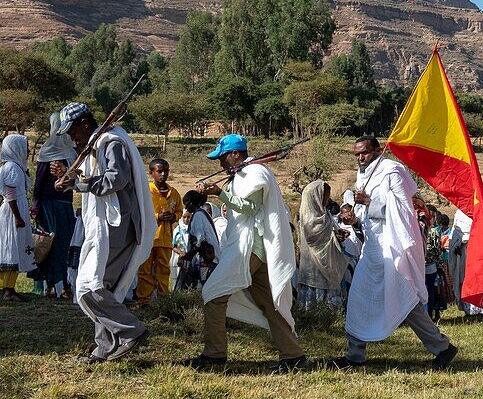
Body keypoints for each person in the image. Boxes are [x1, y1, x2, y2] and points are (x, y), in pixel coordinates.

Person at [334, 137, 458, 371]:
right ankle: (355, 354)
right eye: (357, 154)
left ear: (378, 151)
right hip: (373, 248)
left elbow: (404, 209)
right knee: (358, 298)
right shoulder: (363, 175)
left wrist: (370, 202)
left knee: (405, 299)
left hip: (392, 244)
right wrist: (356, 218)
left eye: (365, 153)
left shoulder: (393, 171)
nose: (360, 158)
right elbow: (368, 215)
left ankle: (442, 347)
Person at [188, 134, 304, 372]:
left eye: (222, 158)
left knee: (213, 293)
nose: (220, 164)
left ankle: (214, 355)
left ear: (235, 154)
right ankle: (294, 357)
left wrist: (219, 193)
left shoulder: (254, 173)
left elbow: (250, 208)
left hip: (250, 247)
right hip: (254, 249)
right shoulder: (242, 174)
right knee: (269, 304)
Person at [52, 102, 155, 362]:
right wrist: (72, 179)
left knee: (91, 287)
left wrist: (79, 183)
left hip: (116, 225)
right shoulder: (98, 143)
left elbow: (115, 179)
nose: (71, 136)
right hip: (109, 226)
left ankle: (130, 330)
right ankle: (104, 349)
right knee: (100, 287)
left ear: (85, 124)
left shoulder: (110, 142)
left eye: (73, 130)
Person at [29, 112, 78, 298]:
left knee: (63, 245)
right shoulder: (53, 152)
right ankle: (51, 285)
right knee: (50, 244)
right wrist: (36, 207)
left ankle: (62, 284)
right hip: (51, 206)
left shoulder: (69, 152)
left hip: (62, 205)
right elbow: (39, 184)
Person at [135, 158, 182, 306]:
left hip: (165, 238)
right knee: (145, 270)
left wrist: (174, 216)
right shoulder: (146, 191)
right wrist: (157, 217)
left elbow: (180, 211)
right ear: (151, 173)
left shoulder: (173, 193)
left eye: (166, 171)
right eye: (159, 171)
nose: (163, 174)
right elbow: (139, 212)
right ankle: (144, 300)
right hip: (148, 238)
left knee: (163, 270)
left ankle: (163, 300)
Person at [296, 180, 348, 308]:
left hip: (327, 262)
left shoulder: (326, 214)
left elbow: (331, 232)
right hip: (313, 264)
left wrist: (338, 234)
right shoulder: (309, 218)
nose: (327, 200)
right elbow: (313, 238)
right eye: (325, 196)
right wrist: (334, 236)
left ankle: (329, 316)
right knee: (315, 292)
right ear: (315, 197)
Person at [1, 134, 34, 301]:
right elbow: (10, 193)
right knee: (11, 248)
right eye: (25, 147)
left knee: (14, 247)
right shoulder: (12, 167)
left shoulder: (16, 166)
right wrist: (18, 217)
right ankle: (8, 289)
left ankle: (8, 287)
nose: (28, 150)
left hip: (18, 208)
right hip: (13, 211)